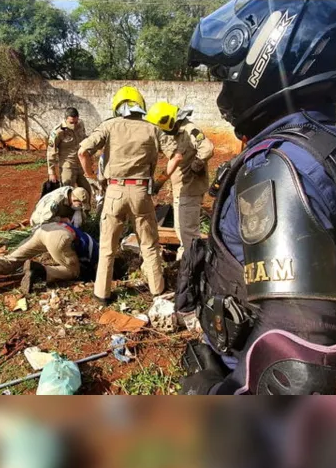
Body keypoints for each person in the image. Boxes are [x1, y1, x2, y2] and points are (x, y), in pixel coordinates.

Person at [176, 0, 336, 395]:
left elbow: (294, 368)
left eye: (226, 74)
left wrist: (212, 391)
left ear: (264, 59)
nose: (224, 87)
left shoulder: (278, 166)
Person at [78, 86, 183, 305]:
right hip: (141, 192)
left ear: (117, 106)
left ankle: (102, 294)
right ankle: (157, 290)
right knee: (149, 244)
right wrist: (161, 180)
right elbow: (177, 156)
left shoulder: (109, 125)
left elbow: (83, 151)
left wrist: (91, 177)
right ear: (141, 106)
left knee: (107, 247)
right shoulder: (153, 129)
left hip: (114, 192)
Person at [0, 221, 99, 299]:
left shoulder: (90, 240)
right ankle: (40, 271)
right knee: (73, 271)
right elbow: (84, 268)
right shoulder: (97, 252)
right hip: (60, 238)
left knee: (10, 260)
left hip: (47, 229)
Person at [145, 102, 214, 261]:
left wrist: (196, 165)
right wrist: (159, 183)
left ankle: (188, 270)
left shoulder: (190, 130)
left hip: (190, 189)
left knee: (187, 234)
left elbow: (207, 148)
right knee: (182, 231)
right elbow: (174, 161)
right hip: (181, 189)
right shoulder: (177, 135)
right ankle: (187, 268)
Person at [47, 107, 90, 208]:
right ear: (66, 119)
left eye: (76, 121)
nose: (74, 124)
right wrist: (51, 172)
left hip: (81, 165)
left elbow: (84, 140)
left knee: (86, 191)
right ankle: (67, 217)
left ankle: (85, 216)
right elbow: (51, 152)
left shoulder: (81, 124)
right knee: (67, 193)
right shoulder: (58, 131)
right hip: (67, 166)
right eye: (71, 122)